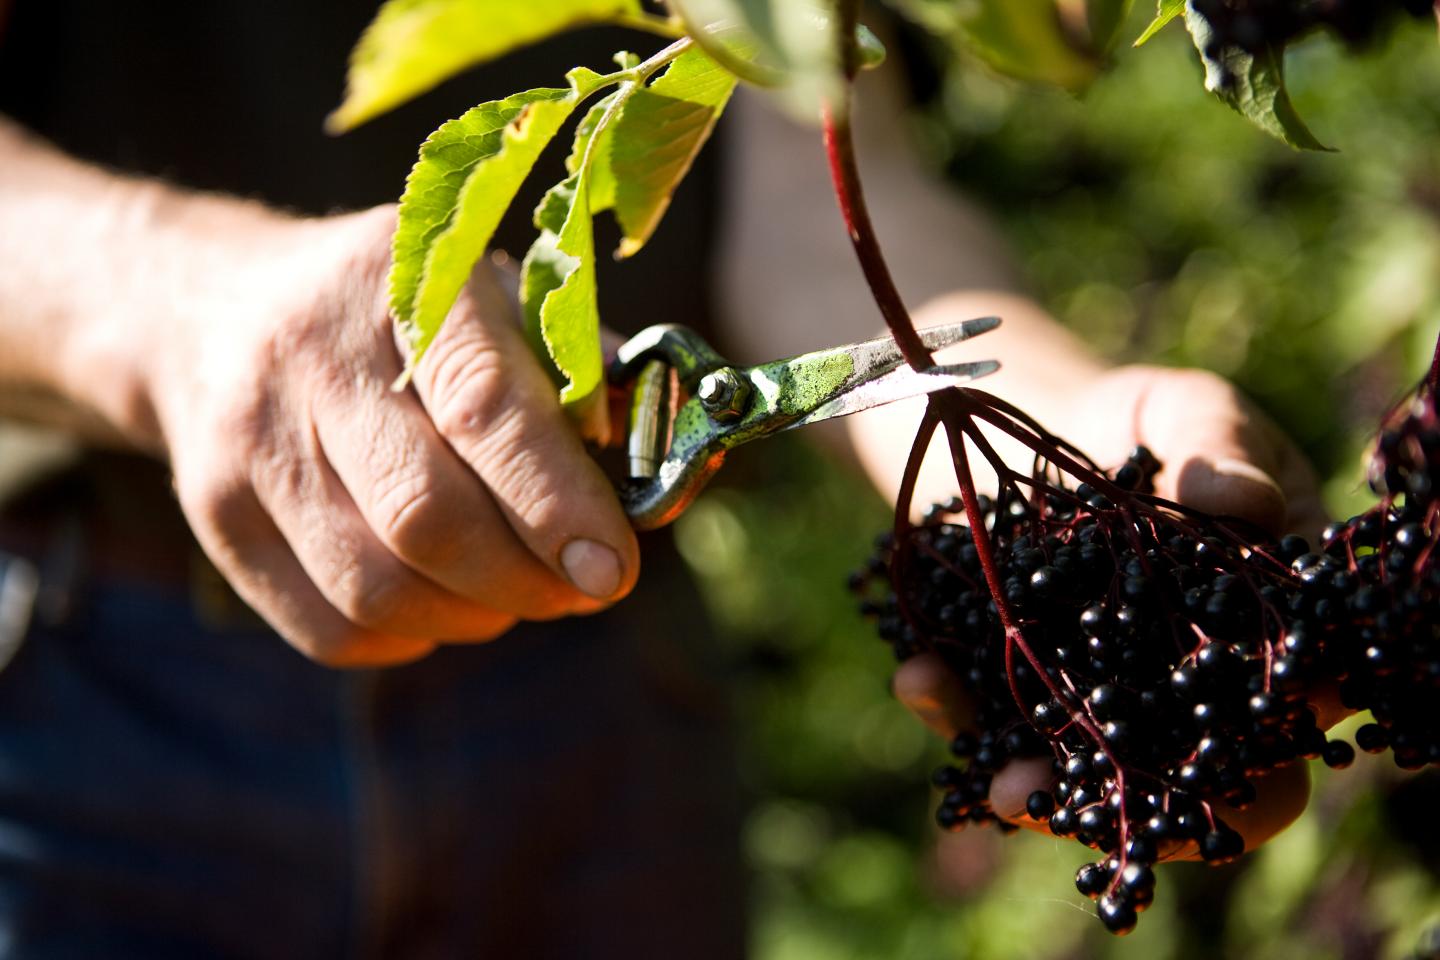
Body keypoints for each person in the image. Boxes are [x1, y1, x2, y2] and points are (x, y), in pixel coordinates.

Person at [0, 0, 1330, 954]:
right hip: (70, 705)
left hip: (606, 700)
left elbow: (816, 183)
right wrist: (177, 303)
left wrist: (1069, 424)